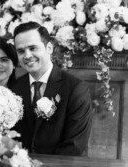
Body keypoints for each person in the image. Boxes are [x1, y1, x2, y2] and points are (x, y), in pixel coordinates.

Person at [11, 21, 92, 156]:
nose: (27, 55)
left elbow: (74, 146)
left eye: (33, 48)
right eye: (20, 51)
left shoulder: (75, 89)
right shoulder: (14, 89)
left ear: (49, 48)